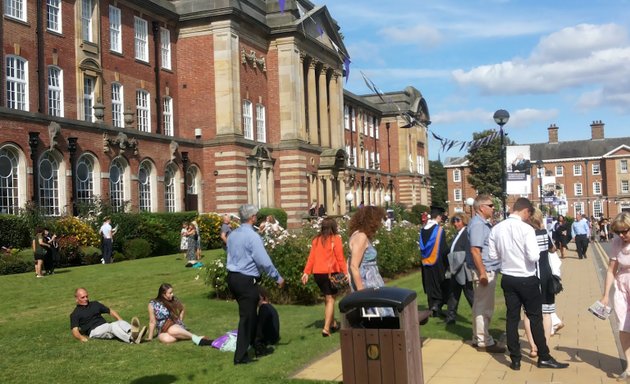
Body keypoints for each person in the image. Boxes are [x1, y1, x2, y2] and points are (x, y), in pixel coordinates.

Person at [488, 198, 569, 371]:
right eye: (528, 214)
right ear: (525, 211)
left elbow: (493, 256)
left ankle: (515, 359)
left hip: (508, 278)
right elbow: (533, 256)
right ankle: (544, 357)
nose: (528, 218)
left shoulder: (496, 228)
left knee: (512, 318)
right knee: (535, 318)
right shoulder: (526, 229)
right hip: (526, 277)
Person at [226, 204, 284, 365]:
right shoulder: (252, 236)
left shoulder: (233, 235)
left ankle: (257, 345)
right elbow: (263, 261)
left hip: (233, 278)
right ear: (252, 218)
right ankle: (241, 356)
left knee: (250, 315)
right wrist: (277, 277)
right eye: (256, 215)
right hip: (245, 279)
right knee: (247, 318)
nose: (257, 217)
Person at [467, 194, 505, 353]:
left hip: (486, 269)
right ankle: (484, 341)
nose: (493, 207)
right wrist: (482, 273)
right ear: (481, 207)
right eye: (490, 205)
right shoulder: (478, 225)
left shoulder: (481, 223)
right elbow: (475, 250)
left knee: (479, 306)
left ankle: (479, 338)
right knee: (484, 307)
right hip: (484, 271)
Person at [301, 217, 348, 337]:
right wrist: (346, 272)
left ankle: (333, 323)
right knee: (331, 299)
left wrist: (306, 272)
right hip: (330, 273)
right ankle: (326, 329)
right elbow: (340, 257)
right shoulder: (335, 239)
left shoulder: (316, 239)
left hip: (318, 274)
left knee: (328, 299)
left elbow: (311, 257)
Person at [522, 208, 557, 358]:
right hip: (546, 275)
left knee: (529, 313)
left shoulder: (524, 235)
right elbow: (553, 249)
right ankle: (545, 344)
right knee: (547, 312)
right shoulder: (544, 234)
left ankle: (533, 347)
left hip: (529, 276)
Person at [599, 212, 630, 381]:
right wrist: (605, 295)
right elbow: (611, 270)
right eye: (619, 232)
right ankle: (629, 366)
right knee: (624, 327)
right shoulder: (617, 242)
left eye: (625, 231)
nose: (622, 235)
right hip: (622, 287)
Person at [348, 206, 393, 317]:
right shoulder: (361, 237)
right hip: (367, 282)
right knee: (381, 315)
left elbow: (349, 261)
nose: (380, 224)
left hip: (372, 280)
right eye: (378, 220)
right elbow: (354, 265)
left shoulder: (357, 234)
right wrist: (361, 293)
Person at [70, 287, 146, 343]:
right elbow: (75, 331)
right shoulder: (75, 313)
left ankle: (134, 333)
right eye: (82, 297)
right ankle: (131, 339)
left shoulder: (95, 304)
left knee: (119, 323)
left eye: (86, 296)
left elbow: (110, 311)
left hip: (105, 326)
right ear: (77, 299)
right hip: (94, 331)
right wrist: (81, 338)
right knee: (113, 326)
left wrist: (120, 320)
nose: (86, 299)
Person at [147, 283, 212, 346]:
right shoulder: (153, 304)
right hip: (162, 329)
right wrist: (150, 338)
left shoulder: (173, 299)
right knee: (167, 339)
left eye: (172, 292)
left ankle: (196, 338)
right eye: (170, 293)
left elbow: (182, 309)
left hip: (174, 325)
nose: (172, 294)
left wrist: (180, 321)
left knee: (172, 330)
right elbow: (152, 322)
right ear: (163, 294)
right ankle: (185, 335)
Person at [419, 207, 449, 318]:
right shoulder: (439, 230)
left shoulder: (423, 229)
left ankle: (431, 306)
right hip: (438, 262)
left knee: (429, 284)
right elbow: (443, 249)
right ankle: (437, 306)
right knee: (439, 283)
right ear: (439, 217)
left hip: (425, 263)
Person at [445, 213, 474, 325]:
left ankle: (478, 317)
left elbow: (467, 252)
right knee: (453, 294)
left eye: (458, 221)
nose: (456, 223)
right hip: (455, 268)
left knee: (470, 295)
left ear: (464, 220)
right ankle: (450, 317)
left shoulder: (466, 233)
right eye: (454, 221)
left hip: (463, 268)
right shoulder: (457, 234)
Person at [255, 287, 280, 356]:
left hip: (270, 339)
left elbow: (260, 327)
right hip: (274, 337)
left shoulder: (264, 309)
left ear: (260, 297)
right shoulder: (269, 307)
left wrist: (257, 341)